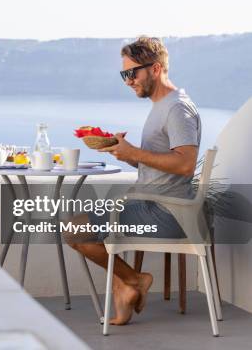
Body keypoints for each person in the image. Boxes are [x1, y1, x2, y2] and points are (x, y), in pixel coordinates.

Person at [65, 36, 202, 325]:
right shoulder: (162, 106)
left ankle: (132, 281)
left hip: (166, 213)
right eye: (124, 74)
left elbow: (186, 164)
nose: (128, 80)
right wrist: (127, 155)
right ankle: (126, 283)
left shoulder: (177, 109)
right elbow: (163, 162)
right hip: (152, 205)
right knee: (78, 225)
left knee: (74, 229)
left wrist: (136, 152)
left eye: (132, 72)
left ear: (155, 69)